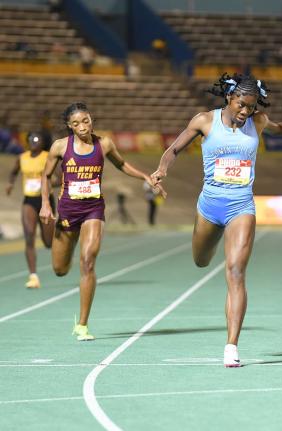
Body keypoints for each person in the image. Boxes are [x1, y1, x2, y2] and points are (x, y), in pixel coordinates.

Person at [151, 73, 282, 366]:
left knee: (236, 271)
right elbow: (174, 148)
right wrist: (161, 170)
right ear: (229, 97)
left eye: (250, 106)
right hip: (209, 206)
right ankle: (204, 251)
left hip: (241, 205)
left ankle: (231, 346)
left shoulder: (258, 122)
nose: (245, 112)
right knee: (200, 259)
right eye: (241, 104)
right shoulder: (204, 121)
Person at [39, 102, 164, 341]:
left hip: (93, 209)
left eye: (86, 121)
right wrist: (46, 203)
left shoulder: (104, 143)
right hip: (67, 211)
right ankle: (69, 244)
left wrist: (145, 177)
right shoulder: (60, 147)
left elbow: (121, 164)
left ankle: (83, 325)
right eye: (76, 123)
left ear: (91, 120)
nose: (82, 127)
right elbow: (45, 176)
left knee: (87, 262)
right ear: (69, 126)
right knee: (60, 269)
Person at [6, 132, 56, 289]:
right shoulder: (22, 158)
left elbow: (61, 176)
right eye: (31, 140)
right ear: (27, 142)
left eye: (37, 139)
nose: (35, 142)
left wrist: (50, 183)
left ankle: (61, 238)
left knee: (48, 243)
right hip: (29, 200)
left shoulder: (48, 156)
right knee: (29, 236)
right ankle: (33, 276)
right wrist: (10, 184)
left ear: (42, 142)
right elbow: (14, 172)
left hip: (46, 200)